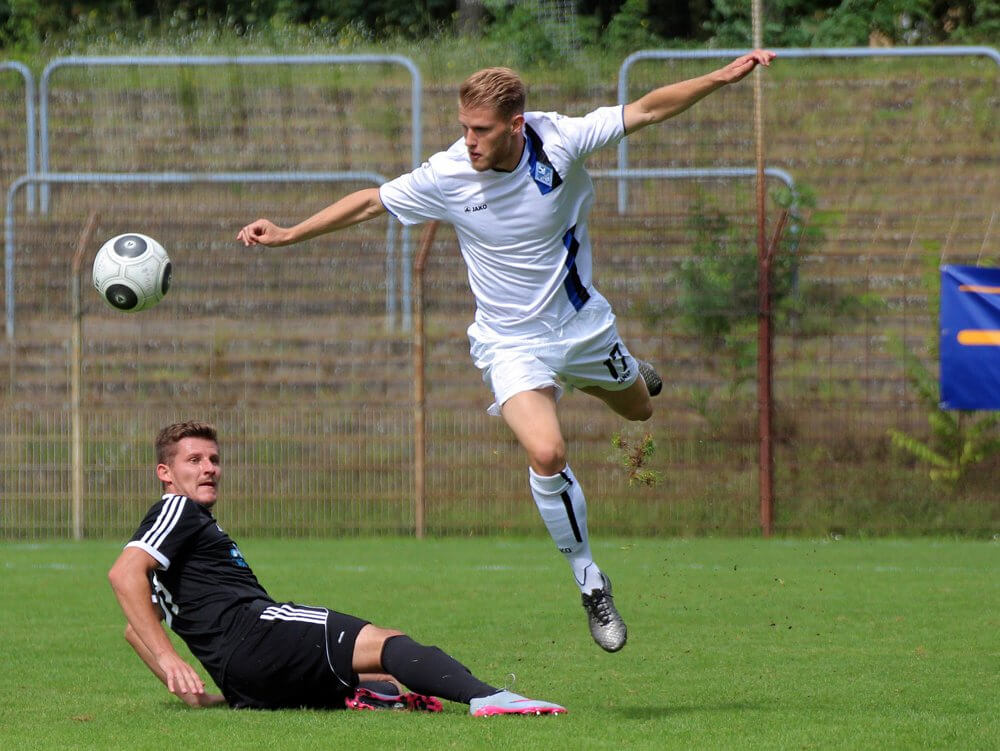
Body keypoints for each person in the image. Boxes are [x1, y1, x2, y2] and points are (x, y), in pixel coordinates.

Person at [236, 50, 776, 653]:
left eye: (481, 130)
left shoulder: (560, 141)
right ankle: (591, 581)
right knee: (547, 450)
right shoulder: (448, 174)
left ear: (516, 125)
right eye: (464, 127)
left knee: (640, 412)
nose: (468, 140)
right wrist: (288, 233)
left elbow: (647, 110)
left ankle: (617, 372)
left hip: (582, 328)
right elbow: (369, 202)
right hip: (509, 343)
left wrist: (718, 78)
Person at [108, 421, 566, 715]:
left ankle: (359, 696)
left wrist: (197, 693)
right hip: (259, 636)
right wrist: (170, 659)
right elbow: (124, 574)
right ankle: (490, 698)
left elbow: (136, 628)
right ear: (165, 473)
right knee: (388, 643)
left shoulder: (186, 534)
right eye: (194, 460)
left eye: (214, 459)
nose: (209, 468)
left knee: (381, 679)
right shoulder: (177, 511)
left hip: (244, 680)